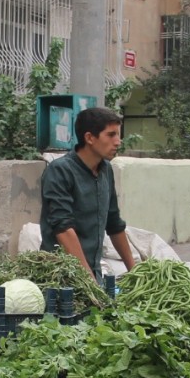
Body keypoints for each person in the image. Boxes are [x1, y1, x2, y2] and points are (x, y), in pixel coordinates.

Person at [39, 106, 137, 281]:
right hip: (61, 277)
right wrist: (89, 283)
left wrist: (136, 272)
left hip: (92, 273)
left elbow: (114, 223)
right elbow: (63, 228)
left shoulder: (106, 169)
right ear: (90, 138)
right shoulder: (60, 171)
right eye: (111, 134)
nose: (118, 141)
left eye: (118, 134)